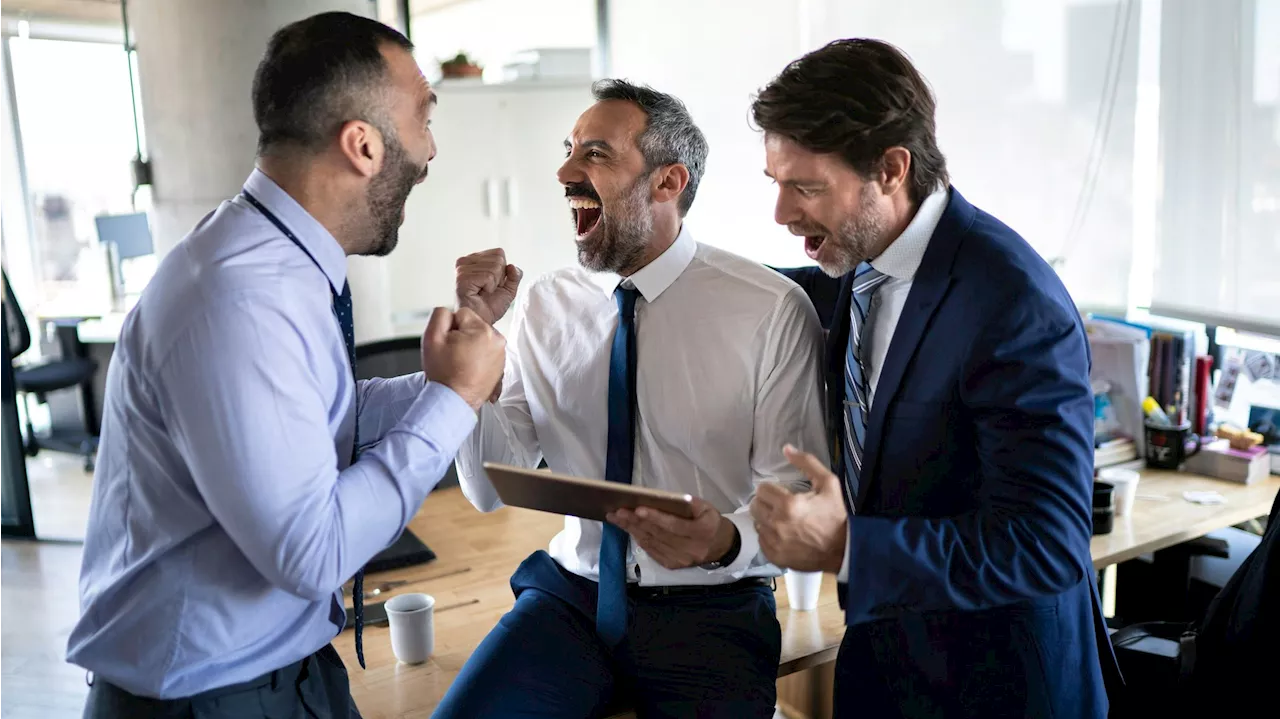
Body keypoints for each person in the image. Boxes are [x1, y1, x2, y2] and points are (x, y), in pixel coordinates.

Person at [66, 12, 506, 718]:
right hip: (210, 699)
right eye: (425, 118)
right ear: (363, 145)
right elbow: (314, 550)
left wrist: (449, 380)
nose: (430, 151)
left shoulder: (277, 260)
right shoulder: (240, 299)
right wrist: (452, 399)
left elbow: (307, 424)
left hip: (284, 670)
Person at [747, 39, 1123, 717]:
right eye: (776, 182)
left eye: (804, 186)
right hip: (882, 669)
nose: (782, 212)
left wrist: (847, 544)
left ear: (891, 168)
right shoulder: (860, 259)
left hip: (997, 688)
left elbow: (1046, 542)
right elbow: (764, 291)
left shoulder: (1013, 303)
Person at [431, 79, 829, 718]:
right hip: (569, 599)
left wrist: (726, 538)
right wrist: (473, 346)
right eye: (568, 150)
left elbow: (799, 496)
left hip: (711, 606)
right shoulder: (544, 304)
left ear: (668, 183)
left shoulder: (770, 310)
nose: (564, 172)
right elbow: (483, 489)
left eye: (594, 154)